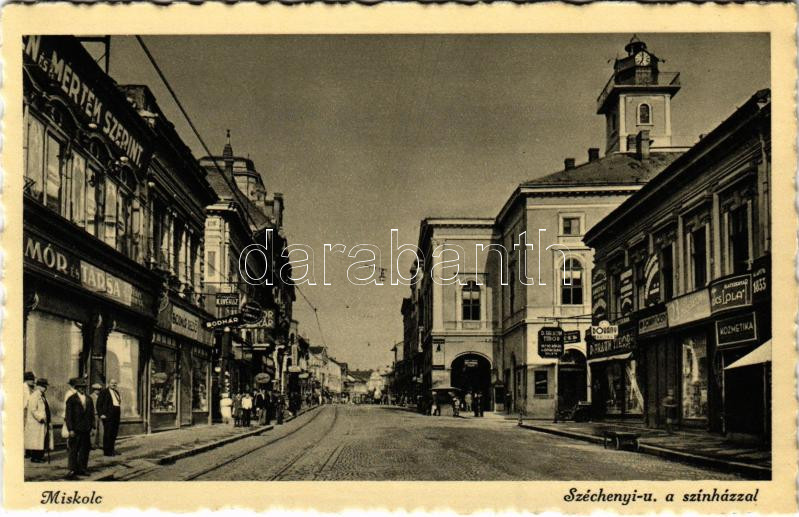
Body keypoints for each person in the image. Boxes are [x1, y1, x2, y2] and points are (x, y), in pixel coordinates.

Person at [64, 378, 94, 480]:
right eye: (80, 387)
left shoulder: (89, 399)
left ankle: (82, 468)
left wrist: (92, 427)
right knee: (73, 449)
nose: (82, 389)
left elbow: (91, 414)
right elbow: (68, 416)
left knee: (84, 450)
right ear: (76, 388)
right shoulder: (72, 399)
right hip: (75, 429)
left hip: (86, 429)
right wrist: (70, 429)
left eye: (84, 387)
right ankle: (72, 469)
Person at [25, 378, 52, 463]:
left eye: (45, 386)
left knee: (42, 439)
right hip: (36, 422)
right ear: (39, 386)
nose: (45, 388)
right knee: (37, 440)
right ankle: (35, 458)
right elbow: (33, 410)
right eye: (43, 386)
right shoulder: (34, 396)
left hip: (43, 422)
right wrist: (40, 418)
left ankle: (40, 456)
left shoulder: (42, 396)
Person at [96, 379, 122, 456]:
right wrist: (101, 414)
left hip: (116, 415)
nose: (114, 384)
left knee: (114, 433)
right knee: (108, 433)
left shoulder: (116, 392)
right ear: (108, 384)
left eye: (115, 383)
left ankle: (112, 449)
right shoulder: (104, 392)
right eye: (112, 383)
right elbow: (99, 404)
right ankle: (107, 451)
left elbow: (118, 403)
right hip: (108, 415)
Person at [23, 371, 35, 458]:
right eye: (31, 379)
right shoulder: (24, 388)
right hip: (24, 410)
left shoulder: (31, 388)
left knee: (29, 432)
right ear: (27, 380)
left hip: (29, 411)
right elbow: (27, 401)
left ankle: (28, 450)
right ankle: (25, 451)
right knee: (24, 431)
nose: (33, 381)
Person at [89, 383, 104, 451]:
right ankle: (92, 444)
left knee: (101, 429)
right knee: (94, 429)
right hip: (94, 414)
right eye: (96, 390)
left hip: (101, 415)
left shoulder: (101, 396)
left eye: (99, 390)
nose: (98, 391)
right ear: (94, 390)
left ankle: (101, 444)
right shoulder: (90, 397)